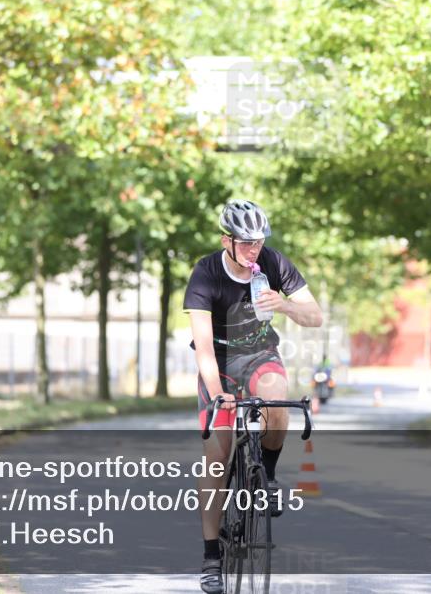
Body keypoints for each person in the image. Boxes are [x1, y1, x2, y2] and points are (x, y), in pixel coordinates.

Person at [184, 199, 323, 594]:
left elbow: (315, 316)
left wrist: (286, 306)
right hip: (220, 364)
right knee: (217, 456)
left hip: (261, 355)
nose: (253, 250)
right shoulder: (206, 273)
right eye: (245, 242)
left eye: (258, 242)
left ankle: (268, 476)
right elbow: (203, 348)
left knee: (277, 397)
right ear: (226, 241)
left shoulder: (274, 264)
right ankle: (212, 556)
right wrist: (218, 395)